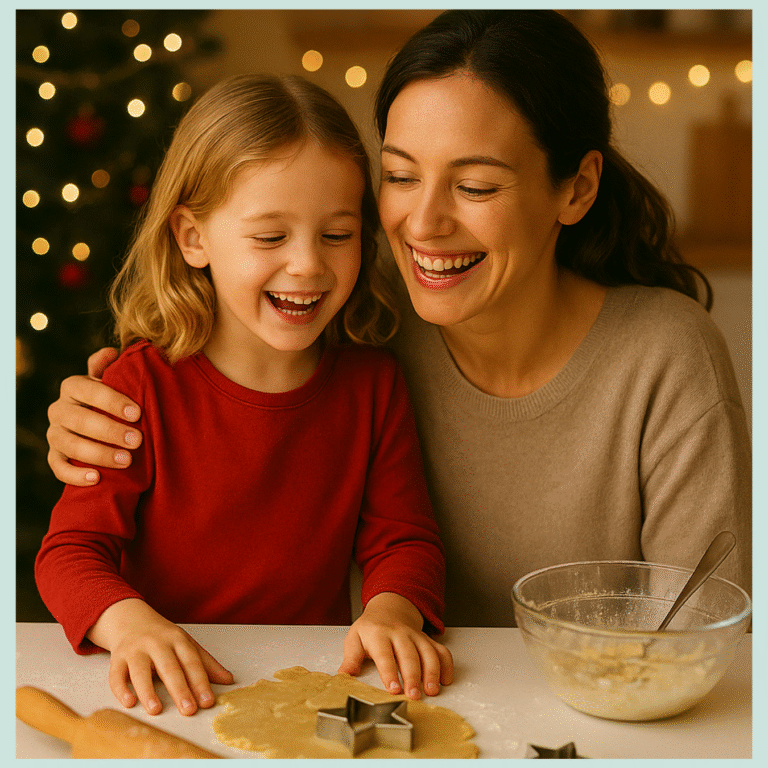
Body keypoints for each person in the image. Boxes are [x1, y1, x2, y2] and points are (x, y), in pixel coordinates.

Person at [45, 11, 751, 629]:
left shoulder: (664, 356)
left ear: (578, 187)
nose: (424, 223)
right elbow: (217, 367)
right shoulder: (356, 307)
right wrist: (89, 414)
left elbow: (702, 638)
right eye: (402, 176)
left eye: (475, 185)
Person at [35, 73, 453, 720]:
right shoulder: (137, 388)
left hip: (307, 694)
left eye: (337, 235)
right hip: (169, 697)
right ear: (193, 237)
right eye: (270, 236)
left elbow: (404, 541)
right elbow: (69, 553)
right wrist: (131, 627)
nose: (308, 264)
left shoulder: (374, 386)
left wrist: (392, 613)